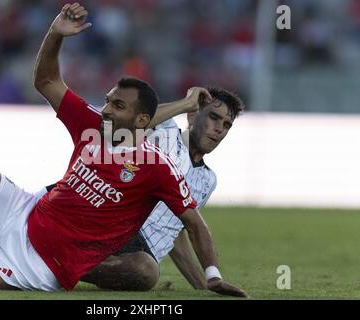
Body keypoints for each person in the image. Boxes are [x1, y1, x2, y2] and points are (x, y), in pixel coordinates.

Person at [0, 3, 245, 297]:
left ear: (142, 119)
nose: (107, 109)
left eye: (117, 105)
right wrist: (56, 34)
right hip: (24, 211)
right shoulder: (91, 126)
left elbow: (194, 224)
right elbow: (46, 82)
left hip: (34, 264)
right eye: (108, 100)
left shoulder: (156, 166)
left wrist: (212, 277)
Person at [37, 86, 245, 291]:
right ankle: (41, 240)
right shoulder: (165, 131)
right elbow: (129, 123)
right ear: (192, 116)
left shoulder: (208, 180)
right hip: (109, 218)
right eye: (214, 117)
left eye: (226, 124)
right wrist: (185, 103)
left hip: (140, 252)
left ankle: (58, 259)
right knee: (70, 190)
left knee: (146, 271)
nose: (219, 128)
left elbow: (177, 231)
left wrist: (204, 287)